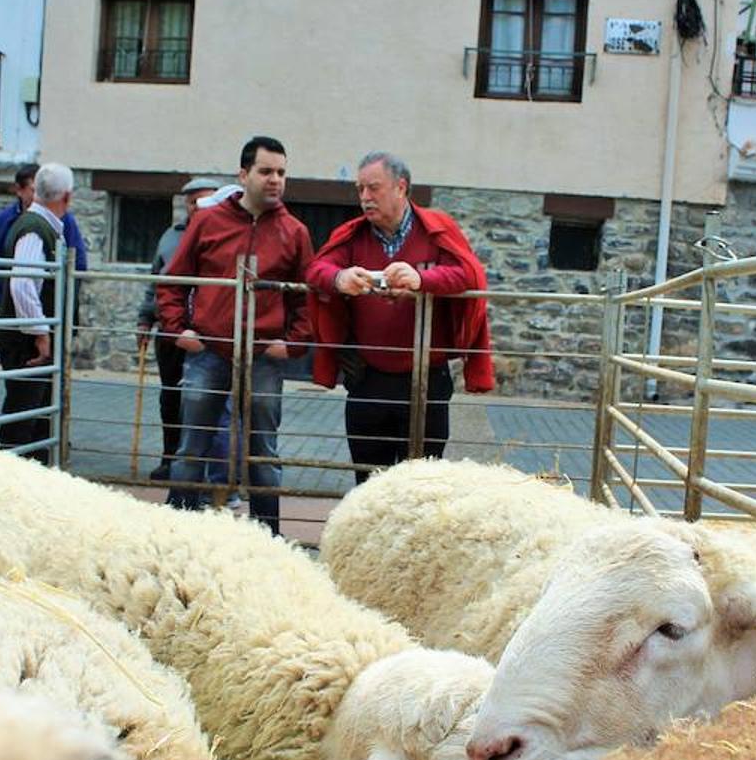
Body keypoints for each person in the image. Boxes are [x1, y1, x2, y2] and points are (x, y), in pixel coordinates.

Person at [306, 151, 494, 484]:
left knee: (421, 488)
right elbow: (317, 269)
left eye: (373, 188)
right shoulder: (353, 234)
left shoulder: (437, 229)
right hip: (368, 379)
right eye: (360, 188)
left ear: (400, 187)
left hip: (426, 380)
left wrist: (423, 281)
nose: (365, 198)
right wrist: (339, 279)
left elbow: (469, 275)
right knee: (368, 484)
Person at [156, 137, 313, 534]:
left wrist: (293, 342)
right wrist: (179, 330)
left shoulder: (294, 232)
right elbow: (173, 280)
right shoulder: (207, 223)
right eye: (266, 171)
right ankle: (176, 533)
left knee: (264, 452)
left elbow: (308, 298)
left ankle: (268, 539)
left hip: (263, 355)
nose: (275, 179)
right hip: (209, 351)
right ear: (243, 175)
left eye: (281, 172)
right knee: (193, 445)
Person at [136, 176, 220, 481]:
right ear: (185, 203)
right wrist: (145, 318)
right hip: (171, 330)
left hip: (206, 333)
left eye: (205, 199)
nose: (198, 205)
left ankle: (208, 466)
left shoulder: (221, 233)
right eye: (193, 200)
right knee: (171, 396)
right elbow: (156, 280)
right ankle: (170, 457)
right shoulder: (170, 237)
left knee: (204, 398)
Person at [0, 163, 73, 464]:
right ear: (66, 197)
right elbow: (23, 284)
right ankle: (7, 475)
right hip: (26, 339)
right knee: (24, 413)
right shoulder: (35, 229)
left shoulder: (40, 226)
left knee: (36, 413)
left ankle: (32, 476)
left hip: (28, 335)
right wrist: (41, 332)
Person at [0, 163, 88, 309]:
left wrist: (66, 302)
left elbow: (78, 263)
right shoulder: (19, 223)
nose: (38, 195)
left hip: (50, 310)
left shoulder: (64, 221)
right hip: (28, 314)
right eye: (34, 190)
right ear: (19, 190)